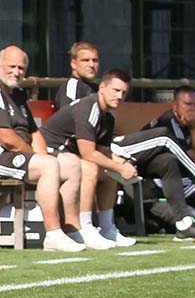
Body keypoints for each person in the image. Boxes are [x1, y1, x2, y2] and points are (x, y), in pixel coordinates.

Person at [0, 45, 89, 250]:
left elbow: (33, 132)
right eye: (11, 66)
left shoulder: (17, 92)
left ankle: (73, 230)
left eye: (21, 68)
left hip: (14, 154)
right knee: (48, 166)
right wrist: (40, 159)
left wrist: (43, 155)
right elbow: (6, 138)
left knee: (71, 163)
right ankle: (53, 234)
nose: (17, 72)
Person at [39, 69, 137, 249]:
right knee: (90, 167)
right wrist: (119, 166)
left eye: (123, 92)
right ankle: (85, 228)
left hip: (70, 157)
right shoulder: (89, 107)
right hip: (48, 153)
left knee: (110, 173)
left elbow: (104, 151)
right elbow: (88, 153)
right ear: (102, 88)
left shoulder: (109, 115)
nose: (119, 96)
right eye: (115, 90)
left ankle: (107, 228)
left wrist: (123, 164)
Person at [115, 86, 195, 240]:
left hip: (168, 181)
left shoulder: (187, 125)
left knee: (171, 163)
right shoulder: (167, 123)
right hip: (146, 184)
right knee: (194, 192)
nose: (193, 109)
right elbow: (192, 161)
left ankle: (182, 221)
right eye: (188, 104)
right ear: (175, 105)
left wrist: (194, 128)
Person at [54, 41, 100, 110]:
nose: (92, 65)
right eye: (86, 60)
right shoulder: (71, 88)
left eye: (95, 60)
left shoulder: (98, 88)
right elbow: (68, 114)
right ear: (73, 64)